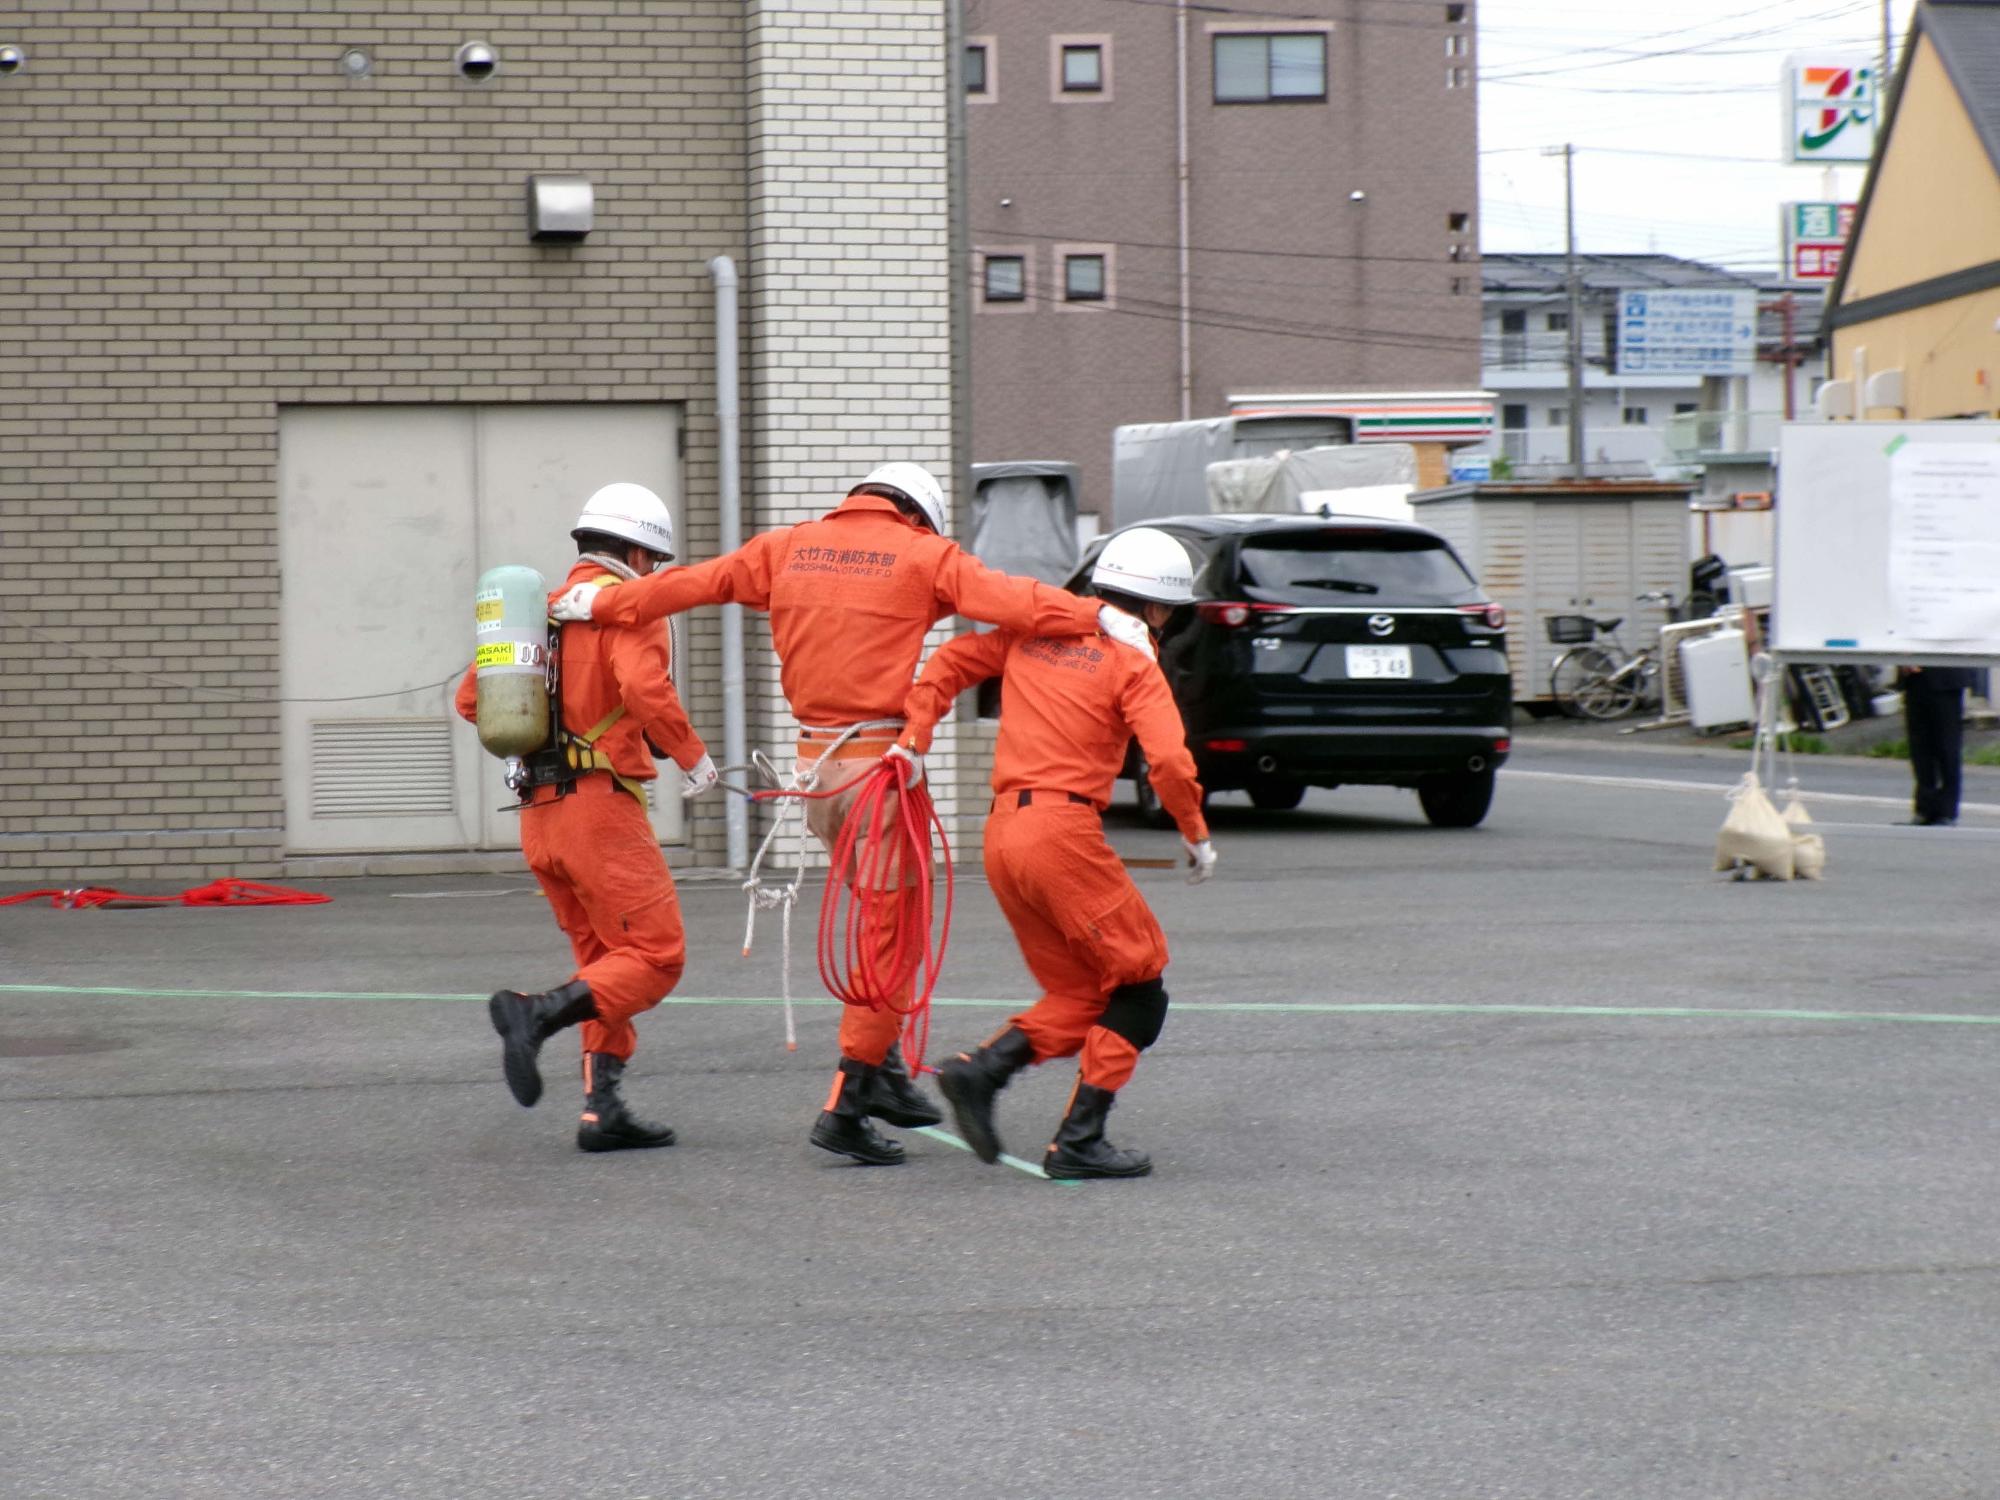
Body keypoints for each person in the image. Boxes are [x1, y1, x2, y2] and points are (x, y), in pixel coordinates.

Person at [549, 462, 1119, 1165]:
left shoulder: (787, 547)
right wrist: (1097, 613)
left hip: (816, 775)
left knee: (879, 932)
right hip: (879, 774)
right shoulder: (923, 555)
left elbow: (683, 586)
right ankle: (847, 1103)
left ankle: (885, 1079)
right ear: (916, 514)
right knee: (892, 944)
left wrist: (597, 607)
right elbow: (1016, 603)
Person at [896, 527, 1216, 1180]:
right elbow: (1171, 763)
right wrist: (1195, 832)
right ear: (1162, 610)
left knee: (1080, 993)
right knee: (1140, 985)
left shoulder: (1035, 631)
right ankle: (1079, 1139)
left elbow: (951, 663)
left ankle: (979, 1073)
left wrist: (915, 736)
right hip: (1062, 834)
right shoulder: (1136, 661)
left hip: (1003, 837)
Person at [454, 482, 720, 1153]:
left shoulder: (536, 613)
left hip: (539, 819)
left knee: (603, 961)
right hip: (600, 812)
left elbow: (469, 699)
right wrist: (692, 757)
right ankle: (532, 1014)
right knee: (657, 957)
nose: (655, 575)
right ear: (635, 551)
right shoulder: (628, 609)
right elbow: (641, 687)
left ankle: (603, 1108)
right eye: (653, 561)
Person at [1898, 665, 1975, 826]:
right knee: (1920, 748)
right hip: (1915, 679)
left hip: (1946, 677)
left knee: (1947, 747)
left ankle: (1947, 811)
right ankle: (1925, 808)